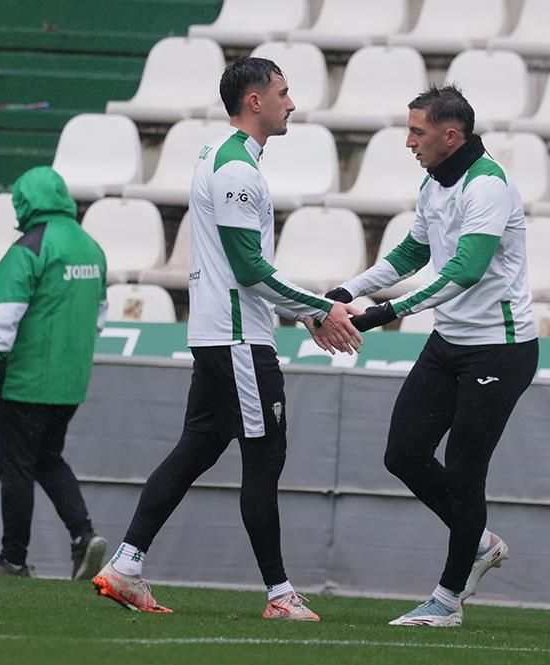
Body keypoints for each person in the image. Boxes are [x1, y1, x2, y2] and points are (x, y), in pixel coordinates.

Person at [91, 57, 363, 620]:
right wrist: (320, 310)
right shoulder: (237, 169)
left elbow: (245, 266)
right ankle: (279, 595)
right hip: (239, 340)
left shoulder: (221, 157)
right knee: (265, 458)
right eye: (284, 93)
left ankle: (124, 566)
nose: (292, 103)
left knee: (196, 449)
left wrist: (304, 316)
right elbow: (247, 267)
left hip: (219, 333)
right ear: (255, 100)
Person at [326, 84, 539, 628]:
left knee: (467, 474)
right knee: (403, 454)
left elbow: (463, 271)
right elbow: (411, 254)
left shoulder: (488, 185)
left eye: (416, 132)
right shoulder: (436, 180)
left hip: (500, 348)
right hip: (451, 343)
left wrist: (379, 315)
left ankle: (447, 602)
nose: (407, 141)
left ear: (451, 135)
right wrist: (346, 292)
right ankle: (481, 542)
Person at [0, 166, 110, 581]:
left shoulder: (28, 249)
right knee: (48, 458)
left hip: (28, 380)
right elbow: (99, 317)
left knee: (16, 467)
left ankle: (13, 558)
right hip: (70, 382)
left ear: (24, 202)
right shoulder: (91, 248)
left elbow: (4, 315)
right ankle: (83, 535)